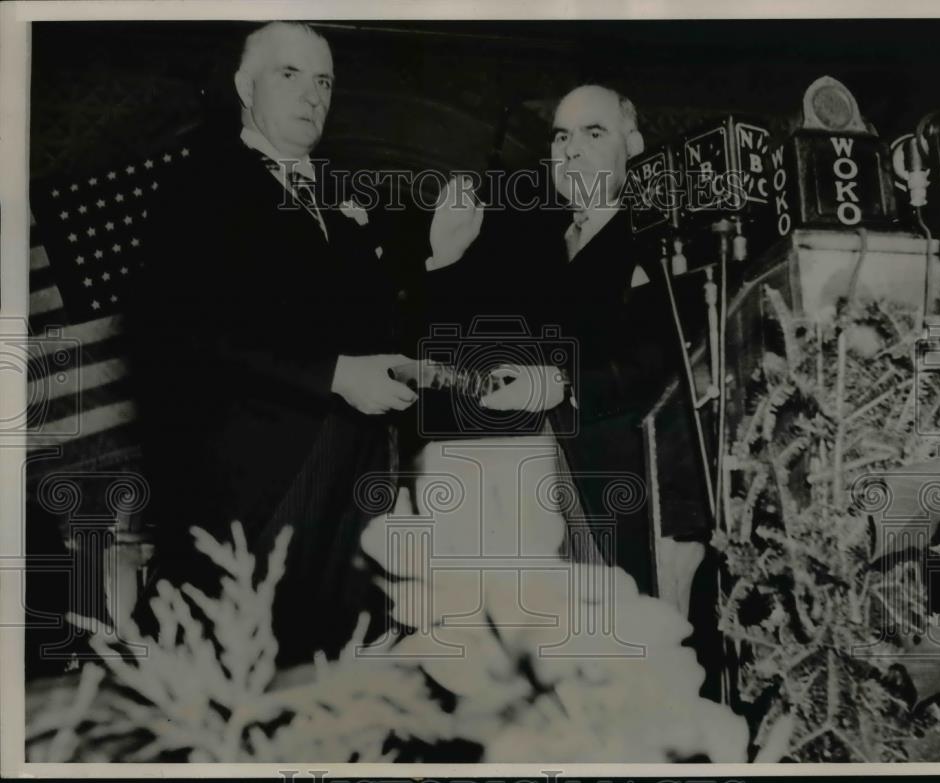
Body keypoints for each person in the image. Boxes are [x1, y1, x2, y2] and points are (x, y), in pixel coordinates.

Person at [128, 21, 426, 665]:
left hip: (351, 489)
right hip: (251, 495)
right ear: (244, 86)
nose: (312, 94)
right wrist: (335, 374)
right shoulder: (200, 187)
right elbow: (182, 331)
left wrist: (436, 265)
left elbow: (373, 326)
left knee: (334, 691)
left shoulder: (332, 199)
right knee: (239, 692)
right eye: (289, 75)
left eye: (323, 81)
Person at [409, 84, 690, 600]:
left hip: (627, 501)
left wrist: (561, 381)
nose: (571, 149)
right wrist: (444, 260)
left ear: (633, 146)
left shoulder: (665, 233)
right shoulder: (529, 242)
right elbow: (451, 349)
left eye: (593, 132)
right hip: (528, 505)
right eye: (561, 136)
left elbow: (672, 355)